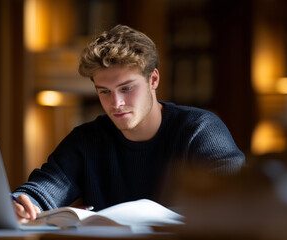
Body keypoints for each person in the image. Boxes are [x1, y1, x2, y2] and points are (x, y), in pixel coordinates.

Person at [12, 24, 245, 223]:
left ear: (153, 79)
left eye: (126, 88)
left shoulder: (199, 129)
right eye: (104, 91)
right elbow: (44, 189)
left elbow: (238, 199)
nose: (116, 103)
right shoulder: (87, 140)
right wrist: (21, 204)